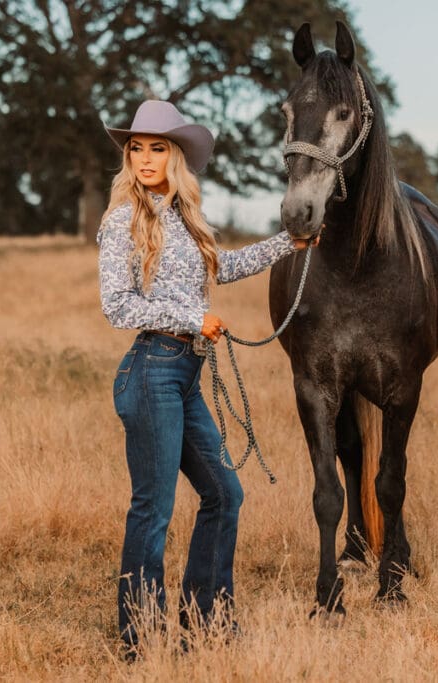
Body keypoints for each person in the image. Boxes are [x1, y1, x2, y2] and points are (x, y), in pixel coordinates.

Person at [96, 100, 317, 655]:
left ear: (176, 156)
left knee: (224, 494)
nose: (145, 158)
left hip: (185, 375)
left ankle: (205, 621)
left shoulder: (185, 218)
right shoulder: (123, 218)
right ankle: (140, 638)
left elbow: (226, 267)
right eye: (137, 148)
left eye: (157, 148)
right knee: (154, 509)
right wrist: (194, 318)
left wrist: (286, 244)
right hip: (152, 372)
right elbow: (117, 306)